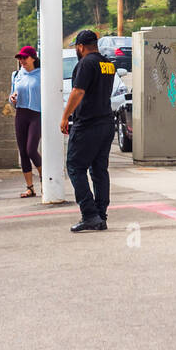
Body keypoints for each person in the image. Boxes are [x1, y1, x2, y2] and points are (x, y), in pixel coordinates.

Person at [60, 29, 117, 233]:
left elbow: (78, 91)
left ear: (81, 46)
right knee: (99, 170)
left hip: (88, 124)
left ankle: (90, 214)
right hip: (106, 122)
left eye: (77, 47)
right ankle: (101, 215)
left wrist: (66, 116)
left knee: (75, 166)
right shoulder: (107, 64)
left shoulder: (85, 63)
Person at [9, 46, 43, 197]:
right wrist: (12, 99)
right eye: (20, 58)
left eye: (25, 57)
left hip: (37, 114)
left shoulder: (42, 74)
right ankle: (30, 187)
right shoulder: (16, 75)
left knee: (31, 149)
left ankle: (45, 179)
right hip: (21, 114)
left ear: (33, 58)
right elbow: (12, 97)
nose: (22, 61)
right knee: (23, 152)